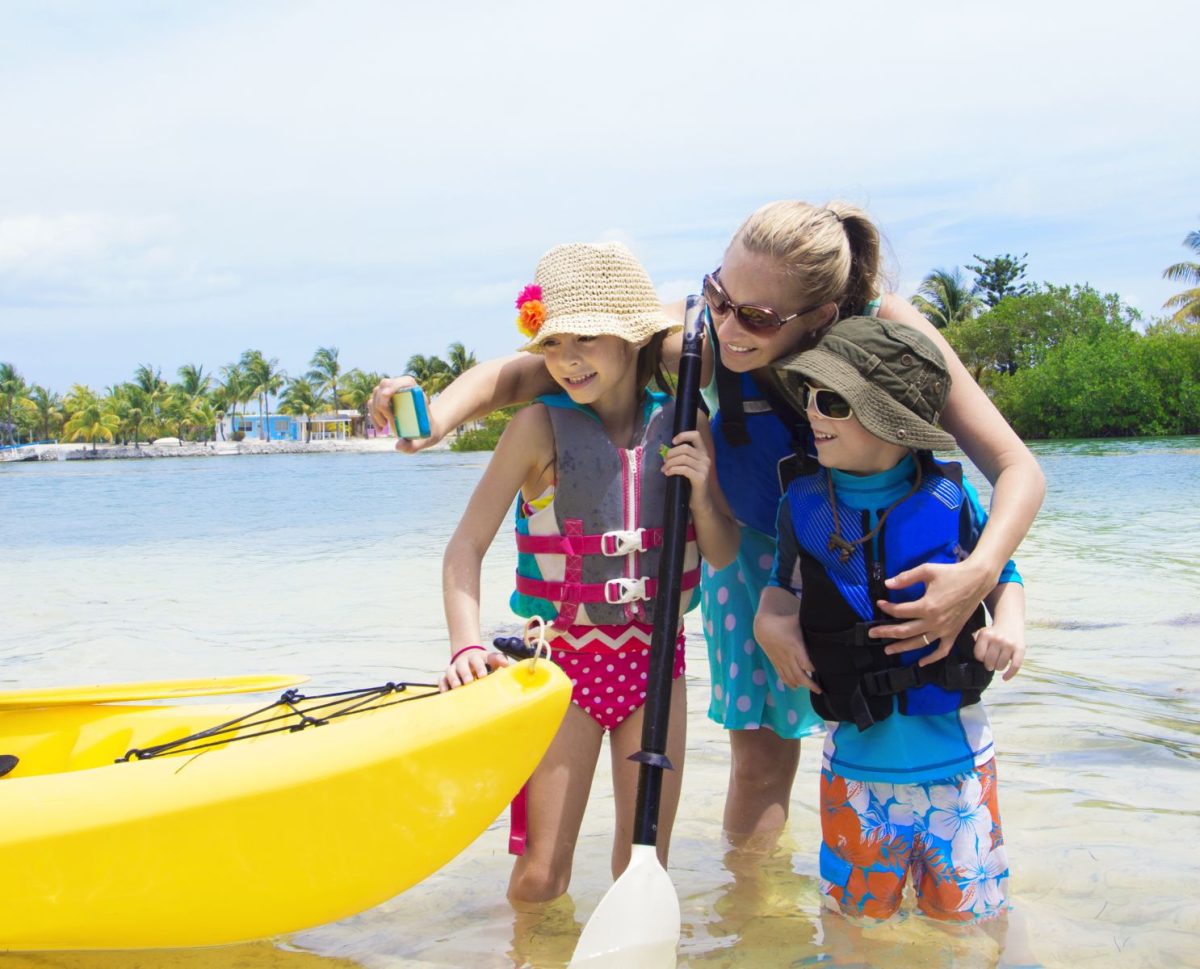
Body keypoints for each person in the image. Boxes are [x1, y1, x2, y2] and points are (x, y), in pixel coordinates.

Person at [370, 200, 1045, 843]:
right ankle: (748, 919)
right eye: (717, 297)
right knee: (759, 757)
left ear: (823, 314)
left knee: (901, 729)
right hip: (751, 551)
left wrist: (979, 575)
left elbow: (1019, 468)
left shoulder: (887, 337)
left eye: (755, 316)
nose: (726, 328)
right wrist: (432, 416)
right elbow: (522, 376)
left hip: (874, 548)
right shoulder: (701, 334)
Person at [439, 241, 739, 904]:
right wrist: (464, 644)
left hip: (658, 664)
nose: (567, 360)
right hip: (561, 669)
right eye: (552, 344)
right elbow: (465, 547)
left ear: (631, 340)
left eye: (586, 339)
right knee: (542, 872)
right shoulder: (536, 429)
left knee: (643, 867)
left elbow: (720, 553)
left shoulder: (686, 420)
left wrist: (704, 489)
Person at [755, 315, 1024, 923]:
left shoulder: (951, 498)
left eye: (831, 402)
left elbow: (1004, 574)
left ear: (890, 420)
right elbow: (781, 589)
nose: (812, 414)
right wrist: (766, 622)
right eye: (809, 398)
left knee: (973, 927)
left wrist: (1010, 624)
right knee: (854, 929)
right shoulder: (801, 505)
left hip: (958, 775)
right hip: (854, 772)